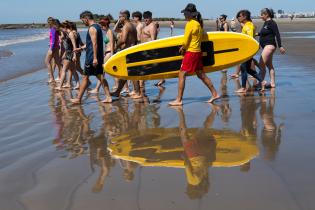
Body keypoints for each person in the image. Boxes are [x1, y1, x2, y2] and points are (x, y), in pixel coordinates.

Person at [169, 3, 220, 106]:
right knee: (201, 74)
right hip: (197, 52)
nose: (184, 15)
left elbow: (186, 41)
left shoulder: (190, 24)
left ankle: (179, 100)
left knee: (181, 74)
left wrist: (182, 48)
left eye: (185, 13)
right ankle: (214, 93)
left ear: (189, 14)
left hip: (191, 52)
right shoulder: (198, 24)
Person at [71, 11, 112, 104]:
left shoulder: (92, 28)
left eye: (83, 20)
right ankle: (108, 97)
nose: (83, 22)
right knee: (100, 77)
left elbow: (95, 44)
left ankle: (78, 99)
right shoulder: (97, 27)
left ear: (86, 18)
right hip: (96, 56)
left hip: (92, 57)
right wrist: (80, 48)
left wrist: (94, 58)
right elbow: (90, 43)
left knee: (86, 77)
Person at [110, 10, 142, 99]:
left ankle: (137, 93)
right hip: (132, 50)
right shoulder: (132, 25)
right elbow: (135, 40)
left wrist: (116, 47)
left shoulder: (126, 26)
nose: (119, 18)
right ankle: (117, 91)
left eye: (120, 16)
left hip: (128, 52)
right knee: (125, 73)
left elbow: (123, 39)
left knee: (132, 73)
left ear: (124, 17)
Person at [235, 10, 266, 93]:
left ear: (244, 17)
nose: (238, 18)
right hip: (247, 50)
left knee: (243, 68)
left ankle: (244, 87)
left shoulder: (248, 26)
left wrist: (247, 51)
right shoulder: (247, 25)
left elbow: (249, 39)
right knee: (247, 69)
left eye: (240, 16)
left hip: (247, 50)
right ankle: (262, 81)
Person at [257, 8, 286, 88]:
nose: (261, 16)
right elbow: (264, 33)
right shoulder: (266, 23)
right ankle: (272, 83)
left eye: (262, 14)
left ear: (267, 15)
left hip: (270, 45)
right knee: (269, 65)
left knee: (261, 64)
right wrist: (257, 34)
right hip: (266, 46)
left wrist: (280, 46)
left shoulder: (272, 23)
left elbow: (277, 34)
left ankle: (261, 82)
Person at [89, 16, 116, 94]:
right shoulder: (107, 31)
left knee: (101, 72)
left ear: (105, 25)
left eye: (101, 26)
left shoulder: (110, 32)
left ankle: (97, 89)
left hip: (109, 53)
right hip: (107, 53)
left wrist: (112, 55)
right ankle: (119, 87)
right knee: (109, 71)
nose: (101, 27)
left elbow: (112, 44)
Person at [55, 21, 79, 90]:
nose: (61, 30)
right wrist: (64, 53)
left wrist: (74, 55)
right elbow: (68, 46)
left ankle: (60, 86)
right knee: (73, 70)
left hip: (70, 54)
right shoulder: (68, 34)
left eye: (62, 29)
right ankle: (78, 84)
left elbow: (74, 46)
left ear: (65, 27)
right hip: (68, 53)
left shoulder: (71, 34)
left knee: (64, 70)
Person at [45, 17, 62, 83]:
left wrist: (51, 48)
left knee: (47, 61)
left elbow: (53, 39)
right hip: (56, 47)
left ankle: (52, 78)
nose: (48, 24)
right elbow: (56, 39)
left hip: (53, 48)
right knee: (58, 63)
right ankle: (62, 76)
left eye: (49, 22)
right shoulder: (57, 29)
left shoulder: (53, 29)